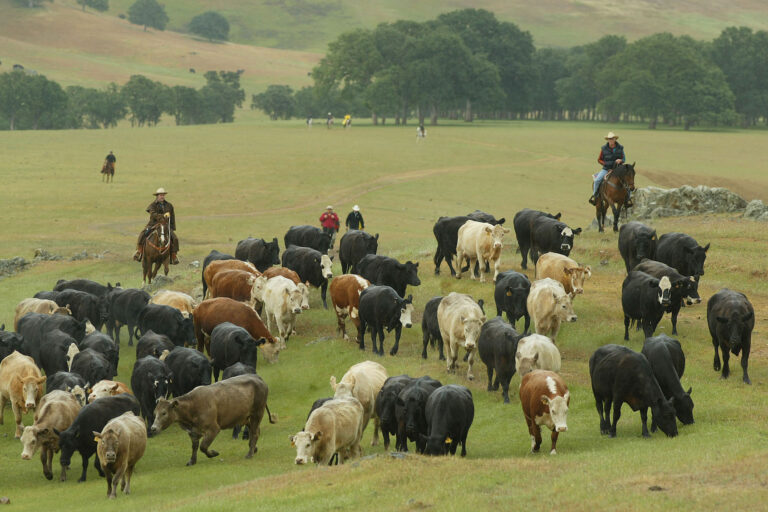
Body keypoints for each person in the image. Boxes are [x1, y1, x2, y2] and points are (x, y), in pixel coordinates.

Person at [133, 187, 179, 265]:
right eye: (160, 195)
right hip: (153, 225)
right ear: (157, 196)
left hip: (165, 226)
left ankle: (173, 256)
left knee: (175, 238)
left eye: (163, 195)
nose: (162, 196)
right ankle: (139, 252)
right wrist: (163, 216)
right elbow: (153, 214)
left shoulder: (169, 205)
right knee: (142, 234)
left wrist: (171, 228)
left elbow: (172, 217)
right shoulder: (152, 205)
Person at [589, 131, 632, 207]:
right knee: (597, 180)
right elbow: (599, 159)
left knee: (628, 181)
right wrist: (605, 164)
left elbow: (624, 158)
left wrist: (621, 160)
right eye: (609, 139)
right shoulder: (603, 149)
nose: (611, 140)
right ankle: (595, 196)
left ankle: (628, 199)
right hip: (606, 169)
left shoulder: (620, 148)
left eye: (612, 139)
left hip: (618, 169)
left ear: (615, 139)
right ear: (607, 140)